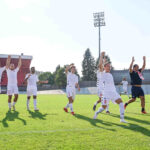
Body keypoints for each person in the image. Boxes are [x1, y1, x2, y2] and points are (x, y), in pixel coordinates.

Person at [93, 52, 127, 123]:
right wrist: (101, 56)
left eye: (110, 66)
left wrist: (105, 61)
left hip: (113, 92)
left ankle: (122, 119)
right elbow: (100, 65)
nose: (109, 67)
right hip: (106, 93)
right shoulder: (102, 74)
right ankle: (96, 113)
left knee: (121, 103)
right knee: (103, 107)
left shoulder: (110, 74)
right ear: (104, 67)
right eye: (108, 66)